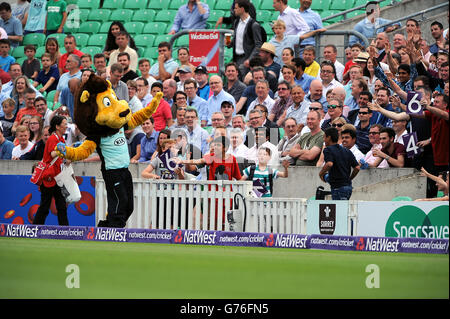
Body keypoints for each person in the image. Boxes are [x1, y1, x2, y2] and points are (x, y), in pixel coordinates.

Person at [32, 115, 69, 225]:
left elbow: (60, 156)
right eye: (64, 124)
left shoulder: (61, 139)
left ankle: (65, 229)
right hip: (49, 178)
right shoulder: (53, 138)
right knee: (45, 206)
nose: (66, 126)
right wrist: (61, 150)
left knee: (61, 205)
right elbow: (52, 154)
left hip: (58, 176)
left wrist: (68, 157)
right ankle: (35, 228)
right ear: (57, 126)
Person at [319, 127, 360, 200]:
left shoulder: (328, 149)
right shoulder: (347, 150)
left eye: (324, 137)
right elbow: (357, 167)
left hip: (338, 188)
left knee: (339, 210)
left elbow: (329, 164)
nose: (324, 139)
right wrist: (349, 179)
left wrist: (321, 173)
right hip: (348, 187)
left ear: (329, 137)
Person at [227, 0, 263, 78]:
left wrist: (250, 59)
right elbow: (237, 39)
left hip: (246, 59)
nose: (234, 10)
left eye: (236, 8)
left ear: (242, 9)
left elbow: (258, 44)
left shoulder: (254, 25)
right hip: (236, 58)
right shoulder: (236, 22)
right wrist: (229, 43)